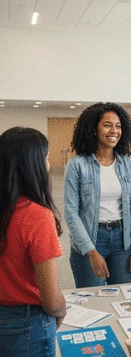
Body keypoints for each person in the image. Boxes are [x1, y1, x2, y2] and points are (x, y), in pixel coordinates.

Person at [0, 127, 66, 356]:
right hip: (27, 323)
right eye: (46, 159)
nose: (48, 166)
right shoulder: (36, 215)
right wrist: (60, 310)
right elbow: (51, 298)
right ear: (34, 165)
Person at [64, 102, 131, 288]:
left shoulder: (125, 164)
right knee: (93, 301)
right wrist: (91, 252)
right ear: (93, 129)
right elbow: (71, 212)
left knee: (122, 298)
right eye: (107, 125)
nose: (114, 130)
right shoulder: (77, 165)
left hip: (121, 241)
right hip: (90, 239)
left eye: (118, 126)